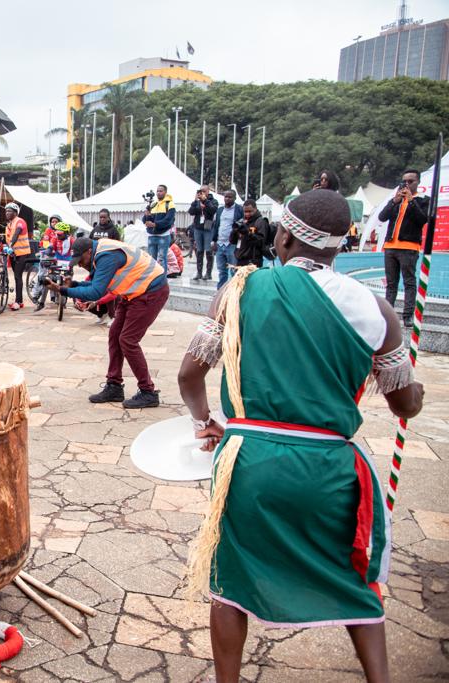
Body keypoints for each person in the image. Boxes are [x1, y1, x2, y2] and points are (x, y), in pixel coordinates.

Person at [177, 189, 424, 683]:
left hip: (249, 464)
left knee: (231, 578)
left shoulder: (238, 291)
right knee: (356, 579)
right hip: (331, 469)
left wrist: (206, 421)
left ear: (284, 236)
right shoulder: (376, 309)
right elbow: (405, 404)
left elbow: (189, 376)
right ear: (338, 247)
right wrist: (409, 382)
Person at [48, 236, 169, 409]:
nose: (80, 265)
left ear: (89, 252)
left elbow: (96, 291)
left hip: (151, 291)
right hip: (133, 293)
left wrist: (62, 290)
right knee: (115, 335)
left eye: (81, 260)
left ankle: (148, 392)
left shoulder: (106, 256)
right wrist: (73, 284)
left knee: (128, 340)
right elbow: (98, 284)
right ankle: (114, 386)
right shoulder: (99, 254)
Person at [378, 169, 429, 327]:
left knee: (409, 282)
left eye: (410, 181)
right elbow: (382, 217)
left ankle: (407, 316)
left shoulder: (422, 200)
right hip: (390, 247)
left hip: (409, 247)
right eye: (404, 181)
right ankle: (388, 316)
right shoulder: (396, 200)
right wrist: (394, 201)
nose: (406, 184)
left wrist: (411, 201)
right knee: (391, 284)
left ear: (418, 182)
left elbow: (422, 219)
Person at [34, 222, 73, 312]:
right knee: (48, 281)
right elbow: (50, 247)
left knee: (69, 281)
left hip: (67, 264)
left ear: (66, 233)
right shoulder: (55, 239)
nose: (57, 236)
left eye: (60, 234)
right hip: (56, 262)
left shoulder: (71, 240)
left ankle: (72, 299)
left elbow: (76, 250)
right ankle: (41, 303)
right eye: (56, 234)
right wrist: (47, 252)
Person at [4, 202, 32, 310]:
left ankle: (19, 301)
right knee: (16, 277)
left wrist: (10, 245)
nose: (7, 213)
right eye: (6, 211)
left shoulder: (20, 221)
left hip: (22, 253)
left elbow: (16, 234)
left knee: (18, 276)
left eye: (9, 211)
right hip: (13, 253)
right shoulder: (9, 224)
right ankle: (18, 300)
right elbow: (8, 238)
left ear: (15, 213)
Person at [211, 190, 242, 288]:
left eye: (230, 197)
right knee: (221, 271)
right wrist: (214, 240)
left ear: (235, 198)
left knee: (234, 270)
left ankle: (233, 291)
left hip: (232, 244)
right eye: (225, 197)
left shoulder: (239, 209)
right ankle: (220, 291)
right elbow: (216, 226)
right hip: (220, 244)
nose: (227, 199)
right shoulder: (220, 210)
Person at [188, 185, 218, 281]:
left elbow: (213, 210)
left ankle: (208, 273)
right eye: (200, 191)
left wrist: (205, 201)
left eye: (204, 191)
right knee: (199, 250)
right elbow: (191, 212)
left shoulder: (213, 201)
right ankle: (199, 273)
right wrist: (195, 201)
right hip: (198, 227)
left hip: (208, 228)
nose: (202, 193)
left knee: (208, 250)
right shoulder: (197, 201)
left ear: (208, 191)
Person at [143, 185, 175, 269]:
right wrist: (147, 216)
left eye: (161, 191)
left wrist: (155, 224)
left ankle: (162, 280)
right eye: (157, 191)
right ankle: (152, 279)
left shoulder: (170, 204)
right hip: (151, 235)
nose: (158, 193)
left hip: (163, 236)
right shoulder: (153, 204)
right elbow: (145, 220)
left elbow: (168, 220)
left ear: (165, 192)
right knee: (151, 260)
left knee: (161, 259)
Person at [232, 199, 272, 268]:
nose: (247, 214)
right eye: (245, 212)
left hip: (253, 260)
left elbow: (261, 242)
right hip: (240, 259)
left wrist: (247, 233)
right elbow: (232, 241)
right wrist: (235, 232)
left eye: (250, 211)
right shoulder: (242, 221)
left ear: (255, 209)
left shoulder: (261, 222)